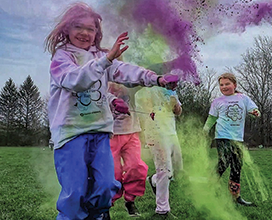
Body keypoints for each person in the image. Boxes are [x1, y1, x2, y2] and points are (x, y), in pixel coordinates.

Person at [44, 2, 178, 220]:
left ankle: (99, 215)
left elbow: (125, 71)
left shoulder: (101, 57)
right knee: (75, 192)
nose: (85, 33)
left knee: (107, 186)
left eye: (90, 28)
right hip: (70, 134)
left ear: (97, 32)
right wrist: (106, 61)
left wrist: (156, 79)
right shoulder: (62, 57)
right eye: (78, 27)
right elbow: (76, 82)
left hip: (100, 133)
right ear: (66, 29)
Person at [203, 73, 260, 206]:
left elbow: (254, 110)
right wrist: (205, 130)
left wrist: (255, 113)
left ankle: (235, 197)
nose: (224, 87)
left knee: (236, 166)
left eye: (227, 84)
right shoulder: (217, 102)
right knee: (223, 162)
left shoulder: (243, 98)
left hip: (237, 138)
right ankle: (208, 187)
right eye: (221, 85)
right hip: (222, 136)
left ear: (234, 85)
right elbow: (211, 118)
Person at [136, 86, 183, 217]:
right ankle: (162, 209)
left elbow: (178, 111)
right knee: (164, 169)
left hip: (172, 133)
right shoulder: (144, 89)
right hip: (155, 134)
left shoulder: (171, 89)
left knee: (177, 168)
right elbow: (141, 111)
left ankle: (154, 180)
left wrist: (176, 106)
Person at [108, 83, 147, 217]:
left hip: (132, 132)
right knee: (113, 172)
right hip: (110, 134)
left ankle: (130, 201)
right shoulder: (102, 81)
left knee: (135, 166)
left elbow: (143, 80)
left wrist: (161, 77)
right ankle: (107, 203)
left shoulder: (130, 81)